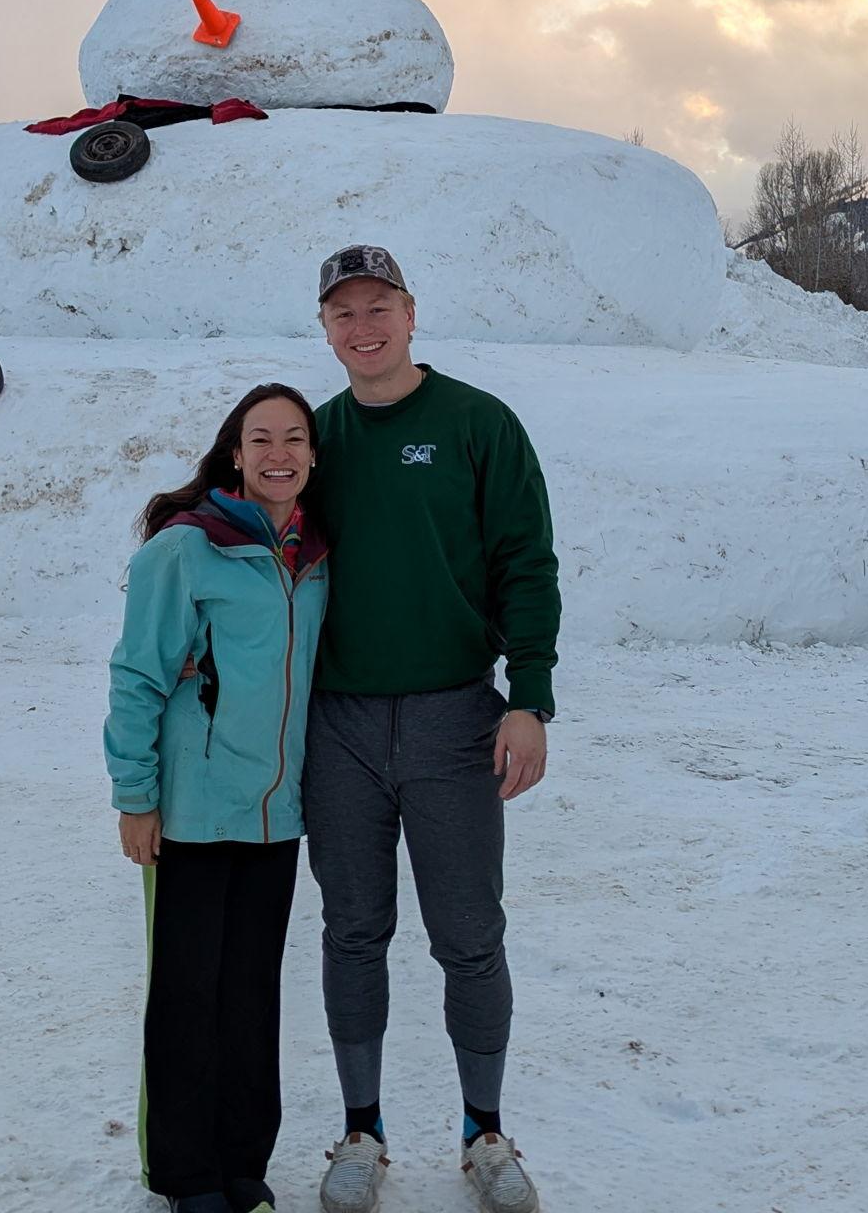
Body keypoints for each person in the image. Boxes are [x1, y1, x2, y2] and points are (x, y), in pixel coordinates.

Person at [304, 246, 559, 1213]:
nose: (362, 328)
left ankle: (483, 1132)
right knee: (352, 929)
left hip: (457, 717)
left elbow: (526, 564)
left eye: (378, 307)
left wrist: (526, 697)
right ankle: (361, 1130)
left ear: (411, 312)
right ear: (323, 328)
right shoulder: (315, 440)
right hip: (341, 728)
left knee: (468, 934)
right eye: (342, 314)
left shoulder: (476, 424)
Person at [105, 383, 332, 1213]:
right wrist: (136, 796)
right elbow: (137, 677)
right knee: (186, 996)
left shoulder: (314, 558)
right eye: (261, 438)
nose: (279, 454)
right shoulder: (184, 550)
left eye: (295, 439)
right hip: (192, 813)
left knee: (251, 995)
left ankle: (243, 1163)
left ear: (313, 455)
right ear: (234, 453)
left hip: (276, 816)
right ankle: (185, 1174)